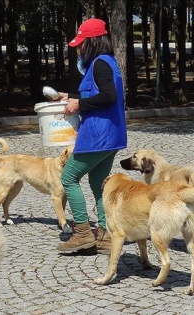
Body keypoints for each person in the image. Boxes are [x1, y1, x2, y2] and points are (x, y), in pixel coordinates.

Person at [56, 18, 127, 254]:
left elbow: (108, 96)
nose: (79, 49)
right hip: (111, 136)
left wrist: (80, 104)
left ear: (93, 42)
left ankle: (83, 233)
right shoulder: (107, 62)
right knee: (98, 183)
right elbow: (100, 93)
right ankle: (106, 236)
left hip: (98, 135)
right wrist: (71, 96)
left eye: (81, 44)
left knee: (68, 178)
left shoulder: (99, 64)